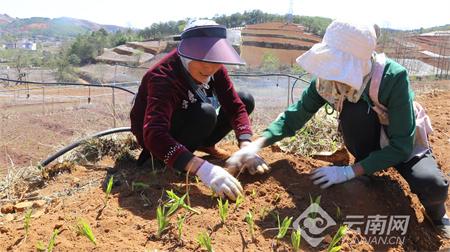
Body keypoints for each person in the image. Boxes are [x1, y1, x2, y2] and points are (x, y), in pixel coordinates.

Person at [226, 20, 450, 235]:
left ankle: (437, 215)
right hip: (370, 139)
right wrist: (256, 145)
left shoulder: (392, 77)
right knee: (354, 111)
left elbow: (401, 145)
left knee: (433, 185)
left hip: (403, 142)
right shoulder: (326, 82)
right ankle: (365, 168)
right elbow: (296, 115)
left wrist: (347, 172)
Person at [130, 20, 256, 201]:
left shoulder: (214, 67)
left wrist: (246, 144)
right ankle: (168, 161)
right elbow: (154, 134)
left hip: (191, 120)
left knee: (245, 98)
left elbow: (235, 106)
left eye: (215, 59)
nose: (210, 68)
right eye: (202, 58)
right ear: (186, 53)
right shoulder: (163, 77)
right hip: (158, 140)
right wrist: (204, 169)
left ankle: (204, 145)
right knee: (205, 113)